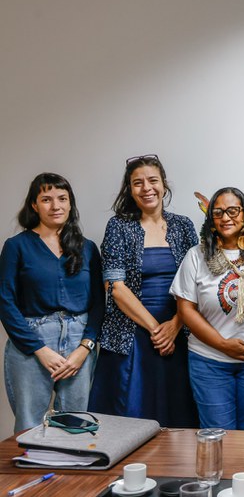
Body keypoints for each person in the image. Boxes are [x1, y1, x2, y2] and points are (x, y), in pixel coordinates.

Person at [89, 154, 198, 427]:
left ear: (164, 185)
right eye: (138, 183)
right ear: (130, 189)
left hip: (179, 333)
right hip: (131, 335)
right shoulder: (119, 226)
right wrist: (157, 330)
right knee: (129, 420)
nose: (146, 188)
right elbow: (115, 287)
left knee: (178, 419)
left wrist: (175, 325)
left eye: (153, 180)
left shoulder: (184, 225)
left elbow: (197, 283)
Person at [0, 173, 104, 433]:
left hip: (79, 343)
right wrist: (39, 349)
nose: (55, 206)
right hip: (32, 342)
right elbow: (5, 302)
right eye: (46, 199)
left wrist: (85, 348)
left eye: (62, 198)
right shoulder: (16, 246)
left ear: (70, 203)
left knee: (75, 425)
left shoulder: (87, 248)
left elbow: (98, 303)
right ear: (34, 205)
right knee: (29, 425)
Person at [170, 187, 244, 430]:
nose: (225, 218)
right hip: (209, 361)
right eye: (217, 213)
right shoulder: (196, 256)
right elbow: (186, 310)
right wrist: (223, 345)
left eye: (233, 211)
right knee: (219, 433)